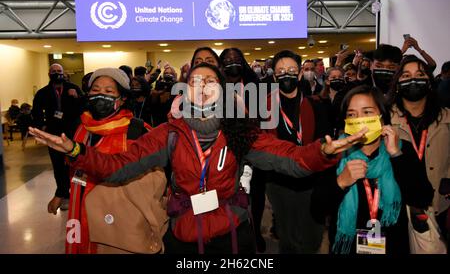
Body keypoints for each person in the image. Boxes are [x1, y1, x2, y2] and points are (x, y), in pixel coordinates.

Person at [30, 63, 368, 254]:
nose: (202, 86)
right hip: (184, 236)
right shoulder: (169, 133)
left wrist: (321, 152)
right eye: (194, 81)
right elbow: (118, 168)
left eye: (210, 81)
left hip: (233, 233)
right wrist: (76, 152)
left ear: (222, 91)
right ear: (184, 92)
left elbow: (289, 159)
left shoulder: (239, 132)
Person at [311, 85, 434, 254]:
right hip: (348, 247)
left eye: (367, 112)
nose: (359, 119)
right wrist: (340, 182)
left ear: (382, 117)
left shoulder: (401, 149)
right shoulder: (336, 153)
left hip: (394, 245)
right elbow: (317, 209)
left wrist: (396, 156)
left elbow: (422, 198)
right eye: (352, 114)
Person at [64, 67, 154, 254]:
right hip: (81, 210)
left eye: (108, 91)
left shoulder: (137, 130)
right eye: (95, 90)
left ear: (122, 99)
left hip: (119, 220)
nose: (100, 95)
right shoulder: (82, 127)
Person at [265, 50, 332, 253]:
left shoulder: (316, 104)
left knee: (311, 235)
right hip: (279, 180)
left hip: (310, 179)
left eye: (292, 70)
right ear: (275, 77)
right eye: (281, 71)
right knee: (287, 236)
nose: (287, 74)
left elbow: (324, 143)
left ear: (300, 74)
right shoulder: (263, 104)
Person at [389, 56, 450, 242]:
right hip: (397, 205)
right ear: (398, 83)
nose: (413, 79)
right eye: (406, 75)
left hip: (439, 205)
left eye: (419, 74)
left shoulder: (447, 117)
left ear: (430, 82)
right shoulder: (384, 118)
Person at [219, 47, 266, 251]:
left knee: (255, 191)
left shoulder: (255, 86)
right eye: (228, 59)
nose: (232, 62)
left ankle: (255, 232)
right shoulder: (214, 88)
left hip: (252, 145)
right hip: (223, 149)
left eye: (237, 58)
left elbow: (261, 118)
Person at [32, 63, 83, 214]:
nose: (57, 73)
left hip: (73, 133)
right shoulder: (43, 92)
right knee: (58, 165)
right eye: (54, 71)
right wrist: (41, 127)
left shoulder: (73, 88)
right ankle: (63, 194)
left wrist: (77, 97)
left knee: (75, 164)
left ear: (64, 73)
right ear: (49, 74)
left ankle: (77, 194)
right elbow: (36, 111)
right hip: (53, 134)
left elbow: (84, 106)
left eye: (59, 71)